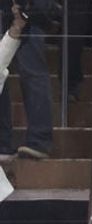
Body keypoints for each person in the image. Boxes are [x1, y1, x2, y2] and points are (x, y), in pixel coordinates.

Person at [0, 2, 51, 162]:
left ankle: (39, 140)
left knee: (32, 71)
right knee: (2, 72)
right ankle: (3, 142)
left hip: (28, 9)